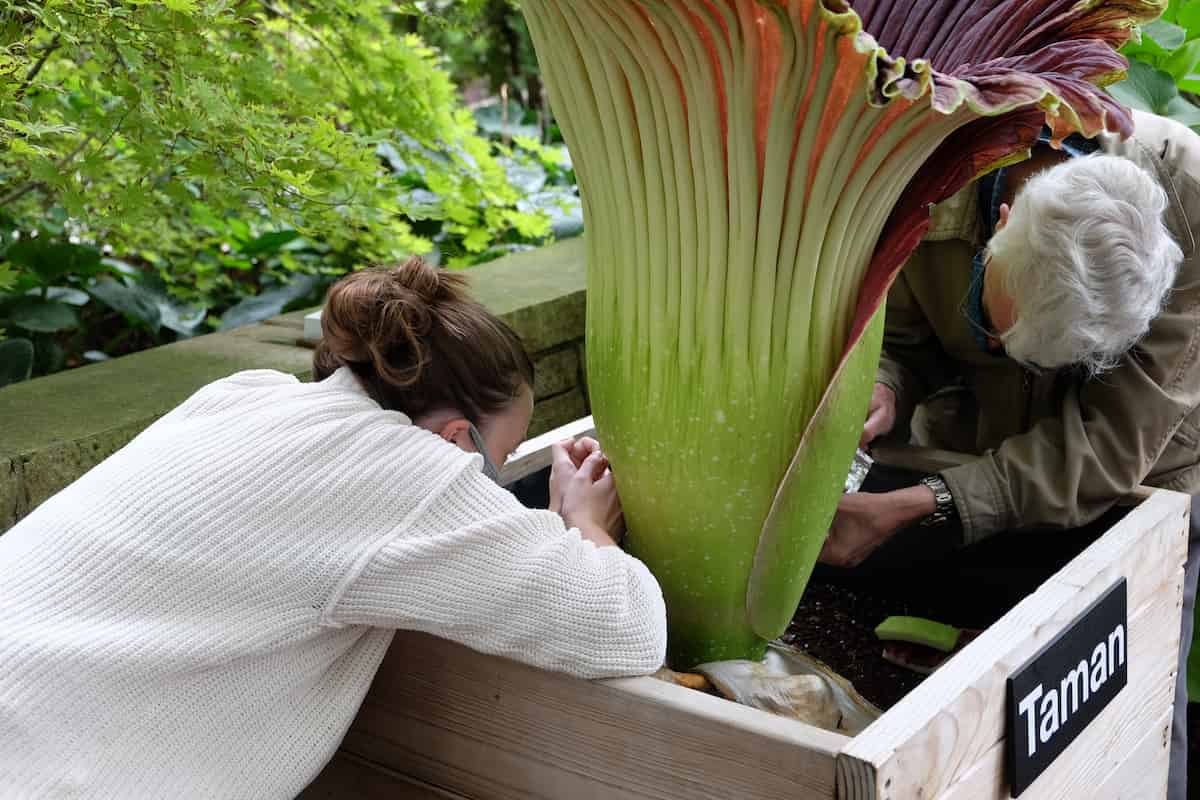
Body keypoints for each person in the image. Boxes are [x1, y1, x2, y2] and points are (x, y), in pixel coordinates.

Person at [0, 257, 667, 797]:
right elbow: (626, 628)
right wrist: (584, 523)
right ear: (456, 437)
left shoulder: (244, 395)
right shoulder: (413, 474)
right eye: (493, 462)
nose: (483, 484)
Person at [820, 109, 1200, 800]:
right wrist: (885, 387)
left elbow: (1113, 445)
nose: (1000, 351)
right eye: (993, 328)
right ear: (1001, 225)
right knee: (977, 725)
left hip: (1144, 482)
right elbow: (906, 344)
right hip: (978, 449)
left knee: (1138, 711)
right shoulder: (928, 174)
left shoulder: (1193, 205)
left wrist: (918, 504)